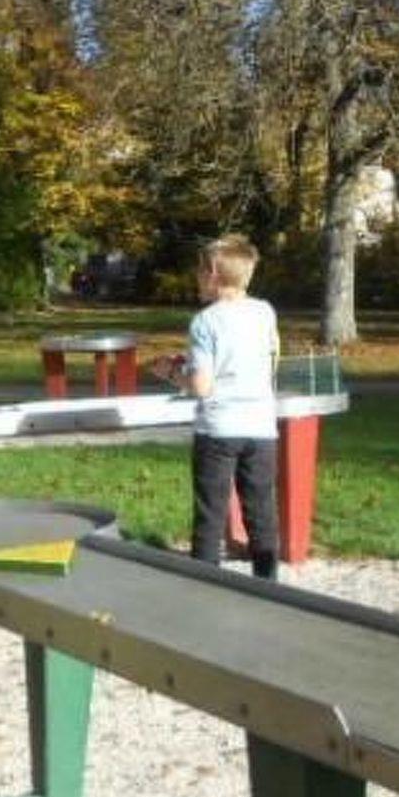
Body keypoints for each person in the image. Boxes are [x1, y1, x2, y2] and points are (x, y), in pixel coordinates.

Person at [156, 234, 281, 580]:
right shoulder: (264, 312)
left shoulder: (205, 321)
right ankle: (268, 583)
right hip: (261, 427)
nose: (196, 277)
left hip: (218, 428)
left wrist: (171, 372)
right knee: (261, 510)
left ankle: (206, 584)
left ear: (212, 273)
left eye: (200, 271)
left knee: (210, 512)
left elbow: (202, 386)